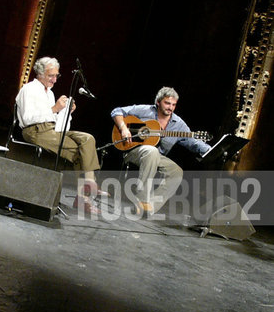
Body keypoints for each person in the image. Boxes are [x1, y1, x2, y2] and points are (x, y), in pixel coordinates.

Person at [15, 56, 107, 214]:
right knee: (80, 152)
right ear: (40, 73)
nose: (54, 80)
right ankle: (84, 197)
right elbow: (28, 118)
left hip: (52, 129)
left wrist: (67, 112)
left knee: (88, 139)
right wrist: (54, 109)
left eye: (56, 76)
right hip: (34, 130)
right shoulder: (29, 89)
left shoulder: (49, 94)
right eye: (51, 75)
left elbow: (59, 123)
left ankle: (89, 185)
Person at [111, 87, 211, 216]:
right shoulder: (145, 110)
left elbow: (193, 142)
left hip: (157, 156)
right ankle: (142, 200)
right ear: (158, 102)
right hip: (133, 151)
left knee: (176, 172)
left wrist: (210, 149)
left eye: (173, 105)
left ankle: (149, 208)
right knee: (151, 151)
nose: (170, 107)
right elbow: (116, 111)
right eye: (167, 103)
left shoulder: (178, 124)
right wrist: (124, 129)